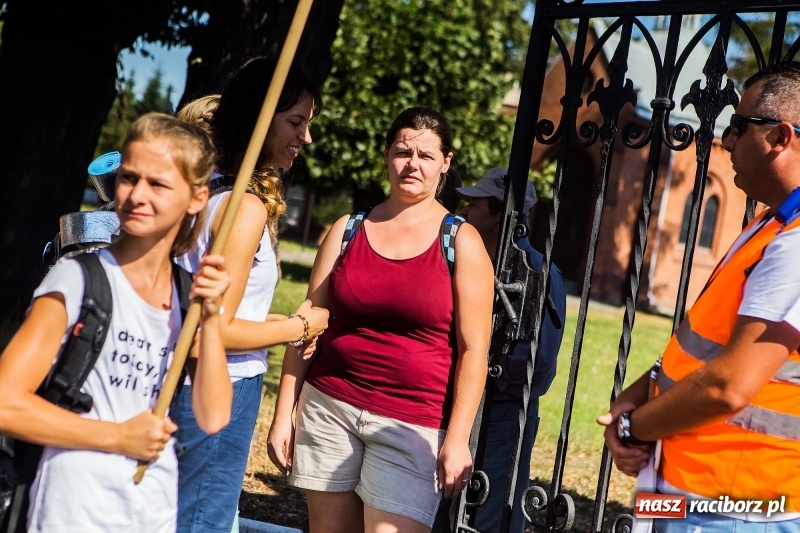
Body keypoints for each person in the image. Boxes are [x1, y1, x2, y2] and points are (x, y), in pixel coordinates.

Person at [0, 112, 233, 532]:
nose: (136, 195)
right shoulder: (77, 278)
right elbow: (6, 403)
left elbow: (213, 416)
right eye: (129, 178)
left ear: (197, 197)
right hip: (72, 509)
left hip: (152, 509)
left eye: (158, 184)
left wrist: (212, 318)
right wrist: (117, 437)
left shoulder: (187, 295)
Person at [267, 106, 495, 532]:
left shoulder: (461, 241)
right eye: (403, 152)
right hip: (329, 406)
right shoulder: (347, 229)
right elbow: (308, 323)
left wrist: (457, 438)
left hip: (412, 423)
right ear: (387, 155)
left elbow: (474, 351)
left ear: (445, 163)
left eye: (426, 155)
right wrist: (284, 413)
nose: (412, 164)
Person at [597, 61, 800, 532]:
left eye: (739, 126)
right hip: (685, 496)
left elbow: (728, 386)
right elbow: (702, 345)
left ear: (780, 137)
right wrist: (636, 395)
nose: (727, 141)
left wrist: (632, 427)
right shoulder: (768, 225)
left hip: (735, 511)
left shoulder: (793, 244)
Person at [172, 56, 329, 533]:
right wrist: (299, 326)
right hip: (221, 386)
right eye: (295, 122)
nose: (306, 137)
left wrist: (272, 320)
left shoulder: (201, 190)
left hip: (180, 382)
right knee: (203, 521)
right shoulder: (244, 207)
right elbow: (212, 333)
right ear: (259, 119)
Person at [432, 167, 567, 533]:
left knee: (491, 515)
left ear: (501, 214)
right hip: (452, 406)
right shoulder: (464, 260)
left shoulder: (538, 272)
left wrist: (490, 378)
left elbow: (541, 364)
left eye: (476, 205)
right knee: (440, 509)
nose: (465, 212)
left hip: (504, 413)